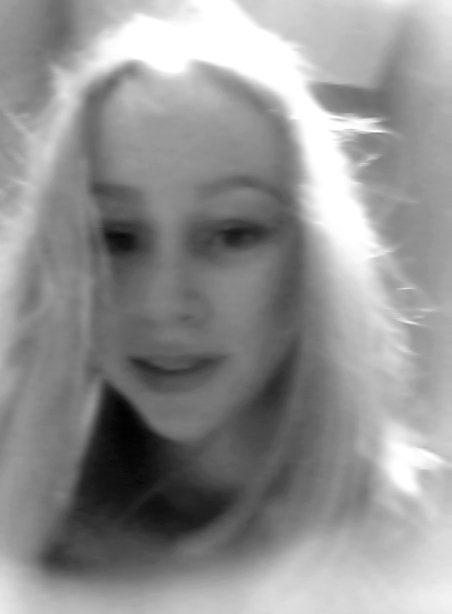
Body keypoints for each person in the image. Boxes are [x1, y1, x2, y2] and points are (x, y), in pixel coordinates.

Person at [0, 0, 439, 578]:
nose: (165, 304)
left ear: (313, 255)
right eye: (117, 237)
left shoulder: (427, 543)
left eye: (233, 235)